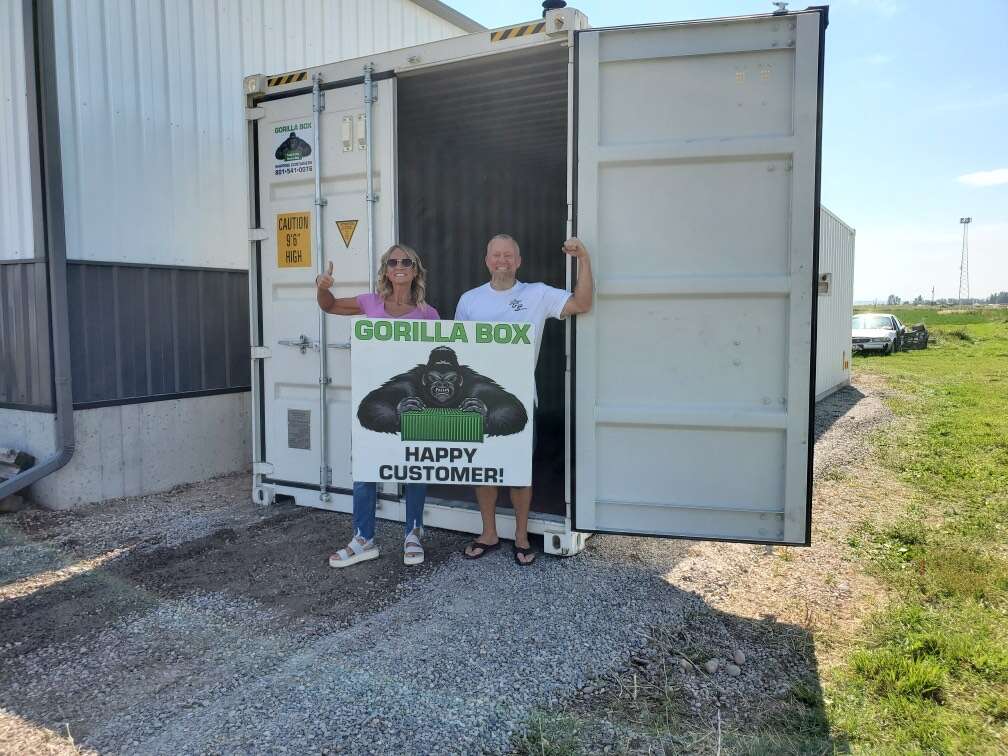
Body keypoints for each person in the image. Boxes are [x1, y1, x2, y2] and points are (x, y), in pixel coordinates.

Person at [454, 233, 593, 565]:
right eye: (495, 255)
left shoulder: (537, 294)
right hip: (476, 402)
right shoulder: (469, 300)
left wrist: (584, 260)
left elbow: (582, 303)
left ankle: (520, 536)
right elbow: (459, 351)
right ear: (487, 260)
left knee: (518, 471)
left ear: (518, 261)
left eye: (508, 255)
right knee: (483, 470)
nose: (502, 261)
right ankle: (488, 533)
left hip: (519, 400)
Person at [315, 244, 440, 568]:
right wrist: (322, 287)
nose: (400, 266)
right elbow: (329, 306)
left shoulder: (429, 313)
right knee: (366, 468)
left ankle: (413, 532)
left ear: (416, 270)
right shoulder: (370, 302)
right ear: (386, 269)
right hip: (374, 404)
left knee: (416, 466)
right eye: (393, 261)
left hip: (415, 406)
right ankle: (363, 538)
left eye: (406, 261)